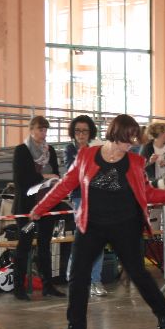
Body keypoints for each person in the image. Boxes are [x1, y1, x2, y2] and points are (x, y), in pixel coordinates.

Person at [29, 114, 165, 329]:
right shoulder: (86, 156)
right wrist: (40, 208)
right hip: (91, 225)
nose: (132, 143)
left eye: (134, 139)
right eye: (129, 138)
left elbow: (147, 193)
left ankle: (162, 310)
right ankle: (76, 328)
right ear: (116, 134)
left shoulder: (134, 162)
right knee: (78, 275)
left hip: (126, 225)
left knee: (137, 272)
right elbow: (65, 185)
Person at [11, 115, 70, 300]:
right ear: (31, 130)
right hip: (26, 206)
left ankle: (48, 285)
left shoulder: (50, 150)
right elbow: (21, 179)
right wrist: (45, 178)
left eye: (45, 130)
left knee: (45, 245)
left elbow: (56, 173)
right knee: (24, 245)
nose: (43, 134)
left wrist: (53, 179)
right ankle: (18, 286)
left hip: (47, 204)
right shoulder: (21, 150)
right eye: (39, 129)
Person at [64, 115, 107, 296]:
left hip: (98, 198)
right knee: (82, 239)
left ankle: (96, 280)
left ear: (90, 133)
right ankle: (74, 276)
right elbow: (71, 172)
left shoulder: (97, 148)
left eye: (85, 131)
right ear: (73, 133)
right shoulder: (70, 149)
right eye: (78, 131)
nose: (81, 134)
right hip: (80, 198)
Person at [140, 121, 165, 186]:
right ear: (160, 134)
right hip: (154, 184)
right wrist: (150, 162)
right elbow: (140, 166)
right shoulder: (147, 148)